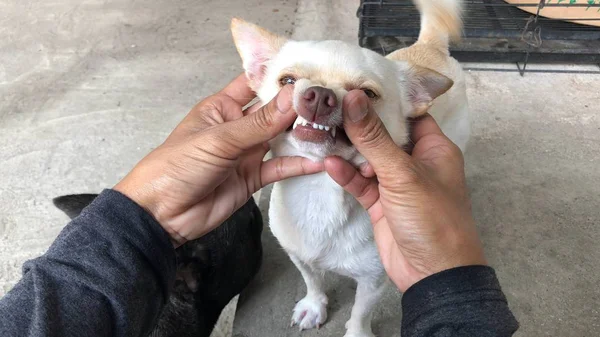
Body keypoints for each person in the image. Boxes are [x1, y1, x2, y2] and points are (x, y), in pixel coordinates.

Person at [0, 74, 518, 337]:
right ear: (266, 89)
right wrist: (456, 294)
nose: (322, 96)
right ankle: (316, 294)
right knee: (302, 253)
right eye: (295, 82)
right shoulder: (272, 203)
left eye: (362, 91)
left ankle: (356, 322)